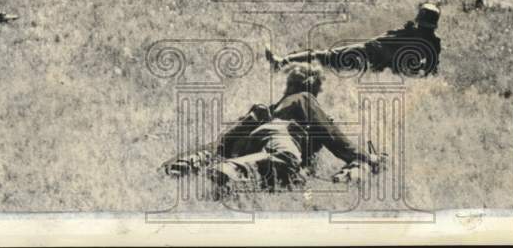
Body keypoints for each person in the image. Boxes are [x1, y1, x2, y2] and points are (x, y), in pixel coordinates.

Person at [162, 65, 382, 195]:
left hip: (249, 144)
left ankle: (202, 167)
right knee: (286, 160)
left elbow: (222, 144)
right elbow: (333, 136)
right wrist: (366, 158)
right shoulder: (304, 98)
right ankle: (233, 170)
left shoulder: (268, 109)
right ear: (312, 87)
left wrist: (192, 157)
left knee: (287, 174)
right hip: (279, 135)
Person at [265, 3, 442, 76]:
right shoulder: (432, 43)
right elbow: (431, 70)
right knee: (328, 62)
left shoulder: (412, 32)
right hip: (375, 60)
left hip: (369, 52)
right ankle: (285, 65)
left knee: (324, 57)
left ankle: (282, 63)